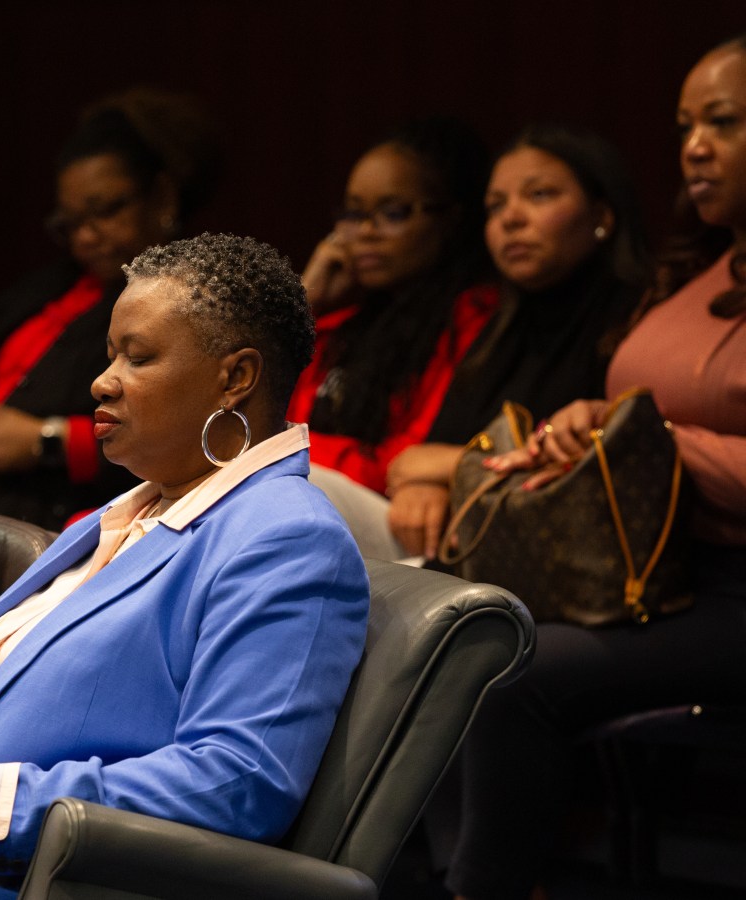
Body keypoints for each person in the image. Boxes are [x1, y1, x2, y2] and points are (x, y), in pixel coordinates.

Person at [0, 233, 370, 898]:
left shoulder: (286, 536)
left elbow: (239, 781)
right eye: (111, 353)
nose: (102, 380)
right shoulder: (123, 515)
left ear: (235, 378)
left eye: (137, 358)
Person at [441, 36, 746, 900]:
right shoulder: (699, 272)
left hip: (732, 589)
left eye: (723, 123)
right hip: (657, 570)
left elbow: (661, 430)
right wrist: (586, 425)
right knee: (446, 630)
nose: (694, 147)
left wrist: (656, 440)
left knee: (513, 674)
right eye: (685, 127)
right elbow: (636, 411)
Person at [0, 88, 221, 530]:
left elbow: (179, 436)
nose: (85, 238)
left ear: (163, 197)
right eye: (71, 224)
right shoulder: (55, 282)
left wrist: (42, 441)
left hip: (51, 510)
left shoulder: (189, 300)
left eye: (105, 212)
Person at [385, 123, 650, 559]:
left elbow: (590, 470)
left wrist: (453, 471)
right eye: (495, 205)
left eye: (539, 195)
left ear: (603, 215)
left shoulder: (641, 320)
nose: (510, 219)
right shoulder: (498, 331)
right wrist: (424, 486)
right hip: (463, 546)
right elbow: (410, 463)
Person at [289, 117, 499, 498]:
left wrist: (286, 451)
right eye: (354, 214)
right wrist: (304, 301)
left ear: (449, 220)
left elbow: (406, 460)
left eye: (392, 212)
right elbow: (256, 421)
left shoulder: (471, 319)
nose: (366, 231)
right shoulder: (338, 324)